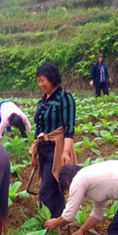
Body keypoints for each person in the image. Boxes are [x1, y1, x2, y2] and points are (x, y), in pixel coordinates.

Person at [30, 63, 77, 218]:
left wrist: (65, 151)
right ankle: (59, 222)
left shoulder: (65, 98)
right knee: (56, 188)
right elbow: (38, 129)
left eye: (42, 80)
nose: (40, 84)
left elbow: (69, 126)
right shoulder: (42, 101)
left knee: (45, 190)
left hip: (56, 149)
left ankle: (42, 226)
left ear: (52, 79)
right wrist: (34, 153)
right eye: (38, 81)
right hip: (43, 150)